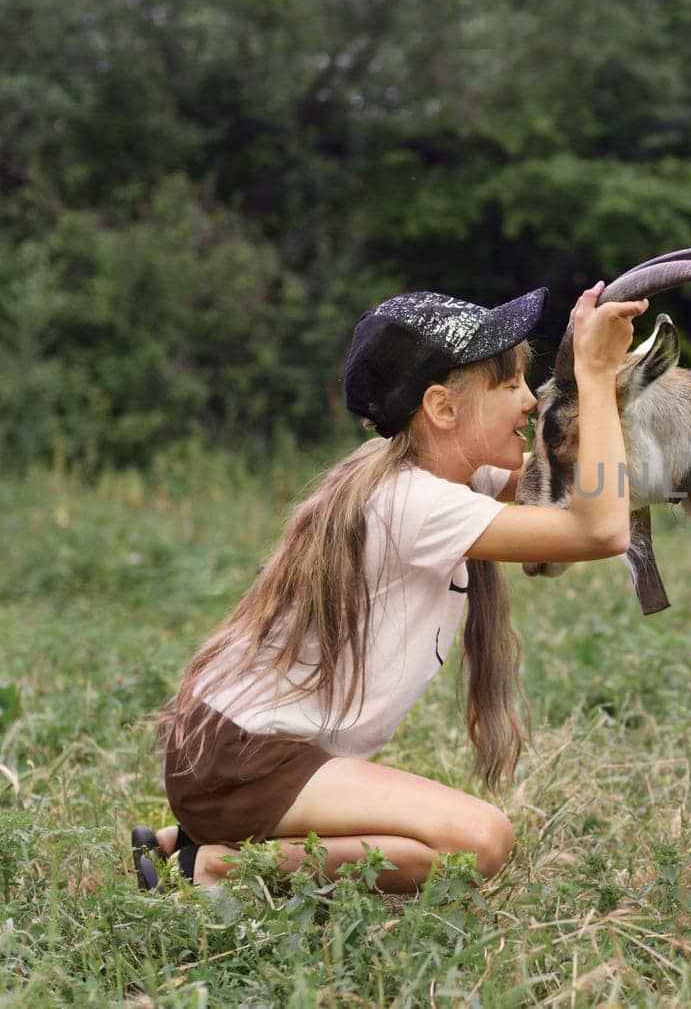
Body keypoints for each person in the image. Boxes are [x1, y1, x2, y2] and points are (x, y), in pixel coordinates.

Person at [132, 281, 645, 891]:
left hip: (235, 752)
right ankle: (216, 866)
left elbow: (583, 485)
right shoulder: (417, 502)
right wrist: (593, 372)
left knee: (460, 840)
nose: (530, 402)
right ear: (442, 409)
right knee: (478, 843)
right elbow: (602, 529)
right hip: (245, 762)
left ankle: (178, 844)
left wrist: (579, 367)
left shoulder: (436, 473)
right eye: (508, 386)